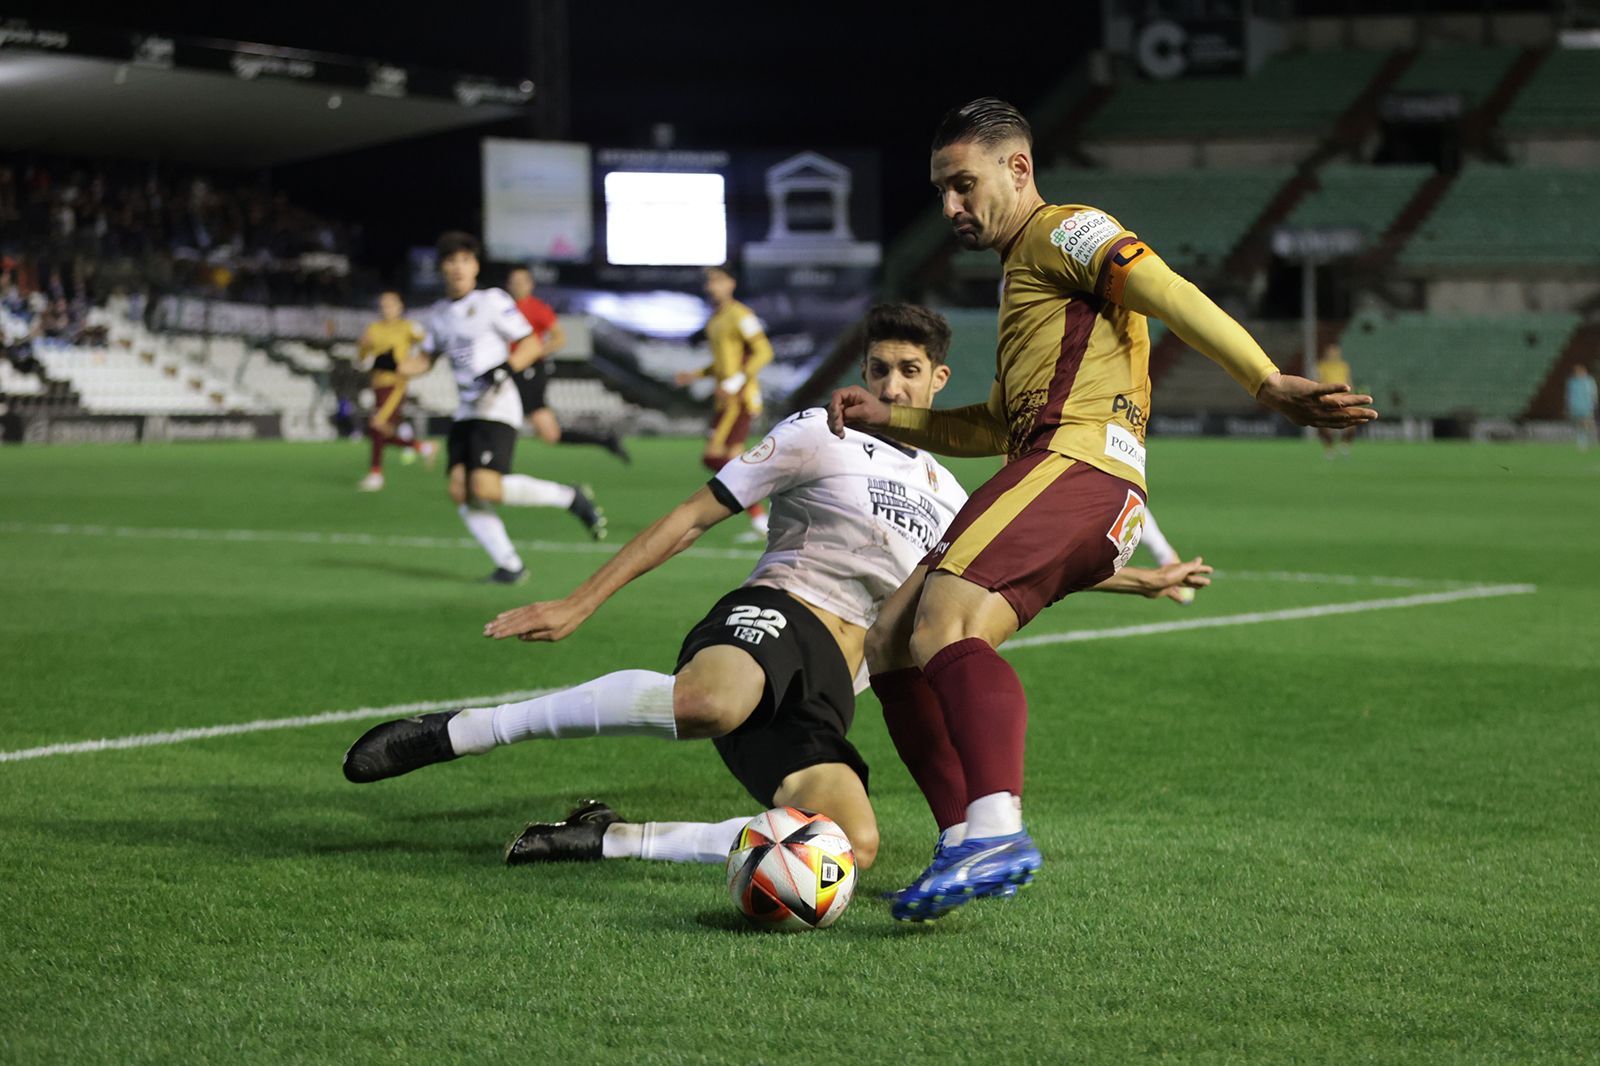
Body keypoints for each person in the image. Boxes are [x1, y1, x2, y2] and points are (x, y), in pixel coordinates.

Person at [341, 302, 1216, 874]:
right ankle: (463, 731)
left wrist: (1140, 581)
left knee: (852, 844)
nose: (890, 385)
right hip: (780, 613)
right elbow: (693, 515)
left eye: (909, 371)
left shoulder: (956, 492)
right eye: (879, 369)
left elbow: (1010, 564)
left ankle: (604, 837)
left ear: (939, 382)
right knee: (711, 703)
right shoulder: (817, 433)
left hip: (837, 687)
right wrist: (581, 601)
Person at [829, 98, 1378, 922]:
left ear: (1018, 168)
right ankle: (960, 844)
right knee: (891, 643)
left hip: (1075, 467)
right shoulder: (1025, 276)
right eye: (942, 190)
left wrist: (1266, 381)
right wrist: (894, 417)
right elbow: (993, 424)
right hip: (1063, 475)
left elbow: (1167, 288)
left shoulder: (1066, 228)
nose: (950, 207)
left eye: (963, 184)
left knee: (947, 626)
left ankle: (996, 829)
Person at [398, 232, 606, 585]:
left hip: (496, 405)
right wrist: (389, 364)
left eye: (465, 260)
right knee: (460, 489)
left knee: (485, 486)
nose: (458, 267)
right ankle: (510, 566)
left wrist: (504, 369)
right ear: (442, 268)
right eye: (451, 261)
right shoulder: (439, 314)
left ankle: (570, 497)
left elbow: (530, 342)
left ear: (475, 266)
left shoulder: (492, 300)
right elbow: (424, 361)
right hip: (465, 410)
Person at [674, 266, 774, 537]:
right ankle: (760, 514)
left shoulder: (741, 315)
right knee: (729, 462)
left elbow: (764, 351)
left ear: (731, 282)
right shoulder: (715, 320)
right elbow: (722, 363)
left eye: (717, 280)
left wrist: (735, 383)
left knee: (718, 457)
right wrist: (695, 375)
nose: (711, 286)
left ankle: (762, 507)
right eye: (709, 281)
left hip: (739, 399)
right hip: (725, 400)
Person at [506, 266, 630, 463]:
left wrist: (535, 352)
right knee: (549, 434)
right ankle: (604, 440)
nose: (517, 286)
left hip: (529, 371)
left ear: (530, 285)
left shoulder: (537, 308)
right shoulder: (504, 308)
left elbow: (559, 338)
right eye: (513, 282)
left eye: (521, 281)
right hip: (510, 369)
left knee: (513, 417)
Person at [356, 289, 434, 491]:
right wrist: (363, 347)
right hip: (378, 383)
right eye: (383, 305)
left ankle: (376, 474)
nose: (386, 308)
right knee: (379, 431)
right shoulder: (373, 329)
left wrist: (413, 363)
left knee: (377, 424)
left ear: (400, 307)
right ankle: (422, 447)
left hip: (396, 384)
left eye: (391, 304)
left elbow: (429, 343)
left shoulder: (407, 327)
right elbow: (362, 359)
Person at [1315, 343, 1358, 459]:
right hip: (1329, 399)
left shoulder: (1343, 366)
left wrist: (1352, 395)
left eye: (1335, 352)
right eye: (1331, 352)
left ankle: (1345, 445)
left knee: (1351, 425)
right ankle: (1329, 448)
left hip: (1343, 399)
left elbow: (1349, 381)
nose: (1334, 354)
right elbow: (1318, 381)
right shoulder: (1321, 366)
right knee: (1325, 425)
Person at [1567, 364, 1597, 452]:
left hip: (1586, 406)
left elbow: (1593, 393)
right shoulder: (1572, 382)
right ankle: (1582, 441)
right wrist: (1569, 405)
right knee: (1580, 424)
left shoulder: (1589, 381)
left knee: (1588, 423)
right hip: (1576, 406)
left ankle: (1591, 438)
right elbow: (1569, 395)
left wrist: (1593, 404)